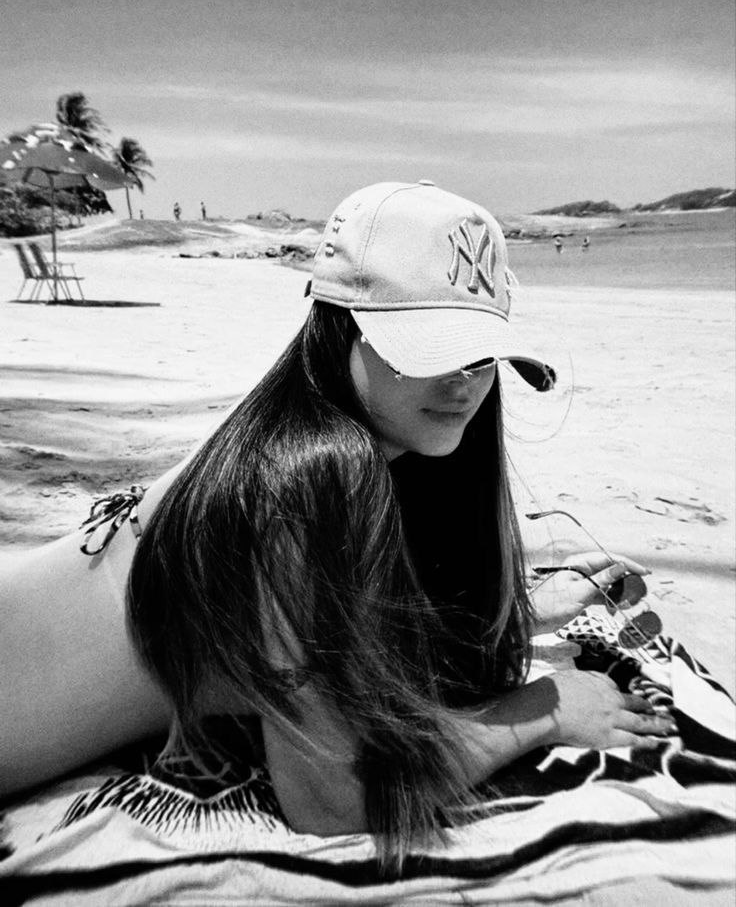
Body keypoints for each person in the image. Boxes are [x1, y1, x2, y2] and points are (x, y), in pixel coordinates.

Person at [0, 181, 674, 868]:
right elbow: (332, 804)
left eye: (481, 351)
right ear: (340, 324)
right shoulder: (312, 476)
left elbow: (331, 622)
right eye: (432, 346)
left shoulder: (315, 441)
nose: (466, 378)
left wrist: (520, 608)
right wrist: (543, 712)